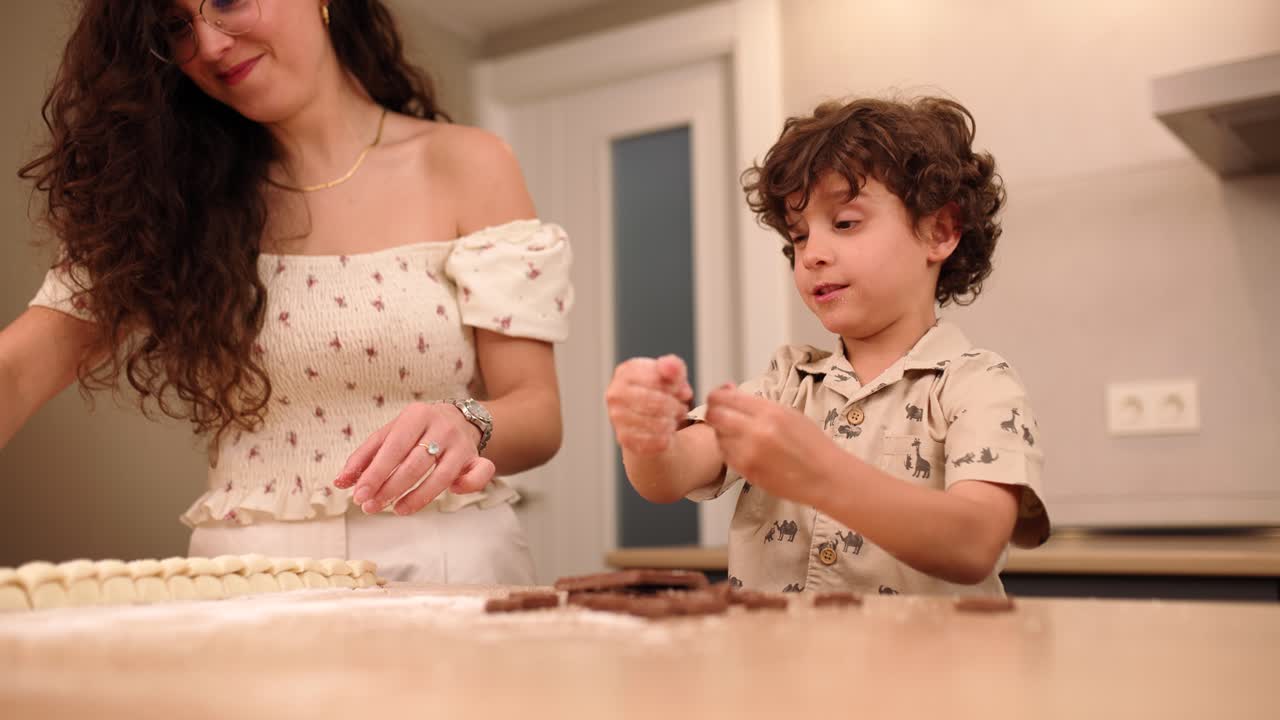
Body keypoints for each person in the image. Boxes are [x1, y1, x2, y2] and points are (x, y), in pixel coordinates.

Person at [0, 0, 574, 584]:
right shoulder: (163, 199)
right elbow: (18, 371)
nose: (209, 44)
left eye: (225, 1)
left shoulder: (468, 163)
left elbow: (537, 410)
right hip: (247, 583)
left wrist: (468, 420)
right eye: (177, 27)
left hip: (451, 566)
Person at [605, 96, 1049, 596]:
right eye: (798, 236)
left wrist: (821, 474)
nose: (813, 253)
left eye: (844, 224)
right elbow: (668, 477)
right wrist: (647, 436)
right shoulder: (783, 385)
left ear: (939, 232)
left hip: (927, 673)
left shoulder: (977, 385)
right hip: (781, 669)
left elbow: (974, 543)